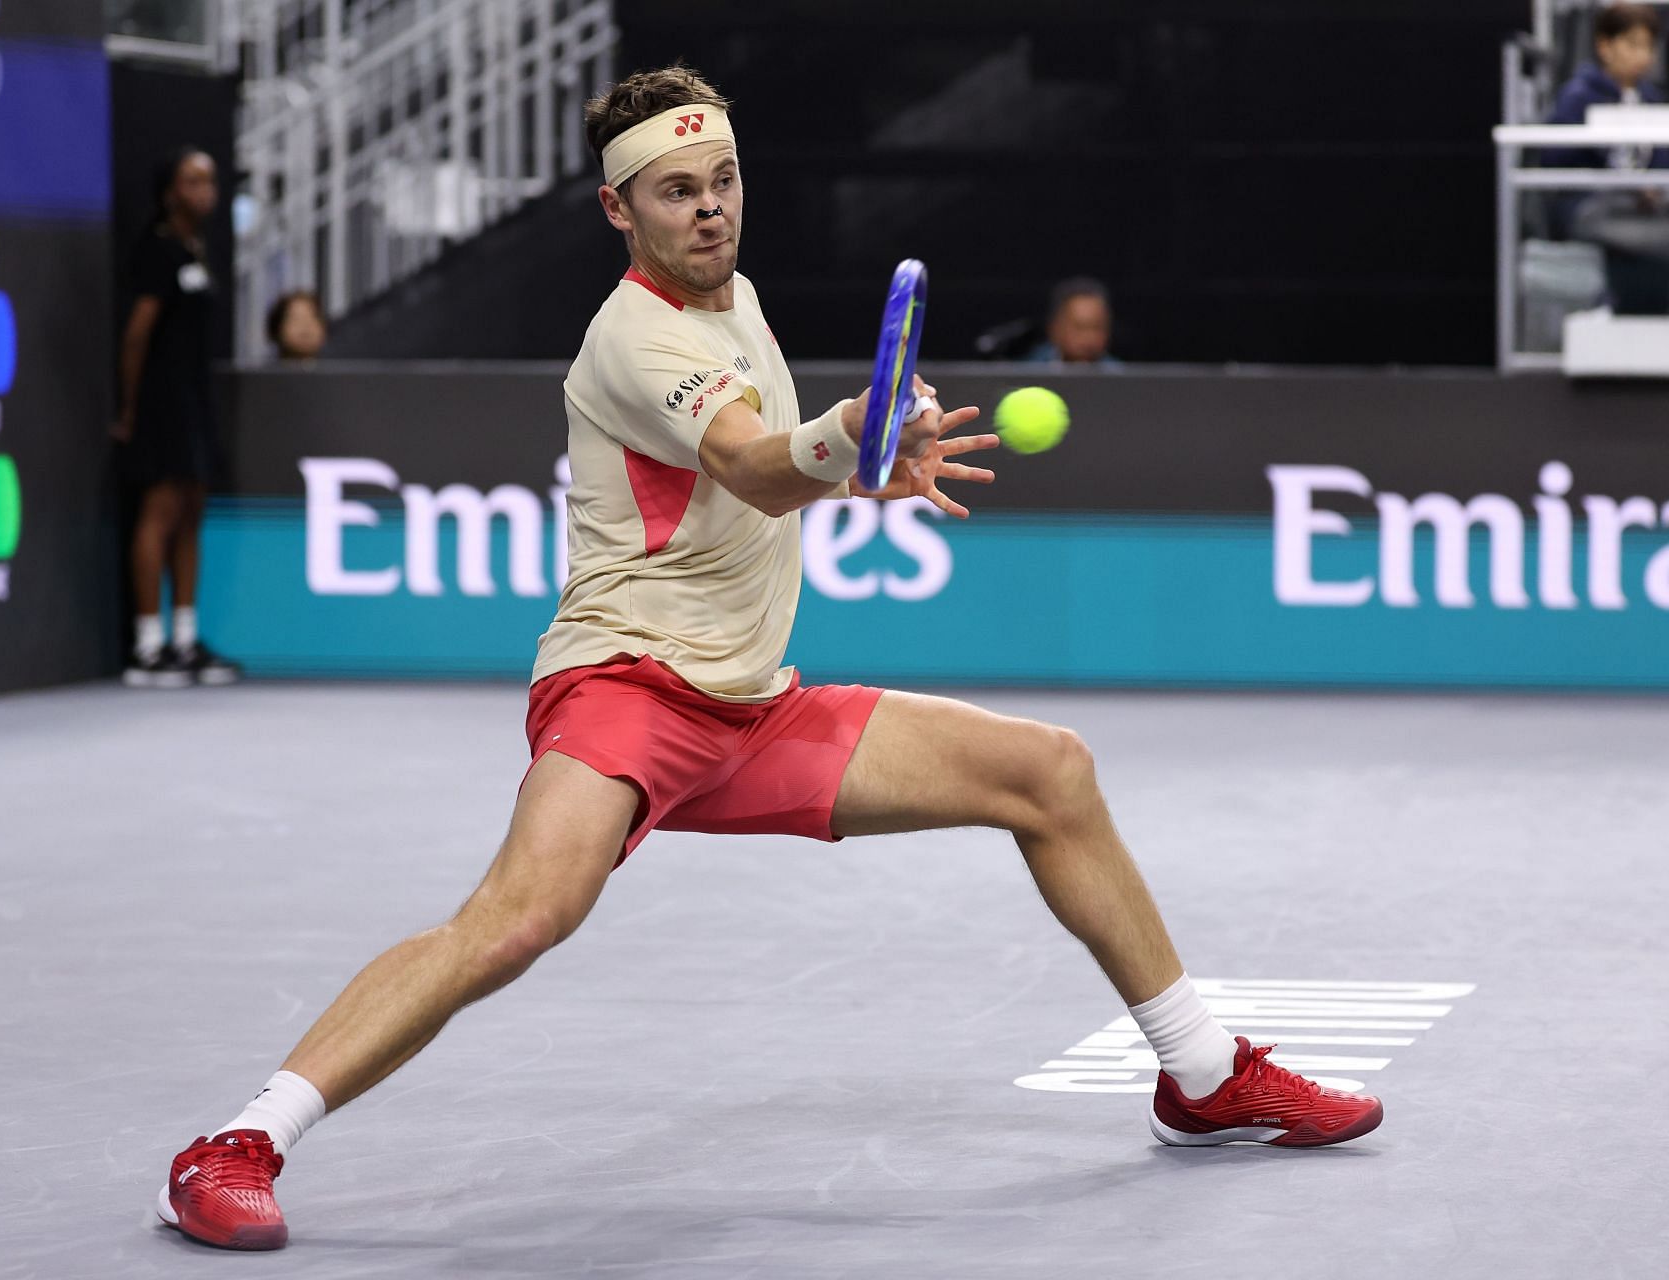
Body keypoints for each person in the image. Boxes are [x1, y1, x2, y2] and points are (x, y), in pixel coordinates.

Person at [153, 65, 1382, 1252]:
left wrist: (858, 465)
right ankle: (235, 1144)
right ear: (617, 208)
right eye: (678, 189)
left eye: (725, 178)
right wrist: (850, 430)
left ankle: (1205, 1074)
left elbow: (764, 478)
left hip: (751, 702)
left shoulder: (730, 297)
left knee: (1049, 772)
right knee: (521, 917)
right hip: (627, 684)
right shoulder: (635, 335)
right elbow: (749, 461)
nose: (710, 206)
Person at [113, 147, 241, 688]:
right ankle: (147, 646)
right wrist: (128, 407)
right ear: (170, 192)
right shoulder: (158, 251)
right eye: (192, 181)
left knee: (191, 511)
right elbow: (138, 333)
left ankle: (183, 639)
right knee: (160, 512)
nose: (204, 190)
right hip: (162, 402)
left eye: (209, 180)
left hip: (195, 399)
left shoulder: (198, 248)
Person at [1544, 3, 1669, 313]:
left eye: (1648, 47)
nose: (1642, 56)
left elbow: (1661, 158)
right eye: (1632, 45)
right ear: (1605, 45)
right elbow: (1556, 157)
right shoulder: (1577, 96)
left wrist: (1652, 189)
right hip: (1593, 206)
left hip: (1643, 209)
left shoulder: (1650, 98)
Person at [1024, 277, 1124, 368]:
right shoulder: (1029, 370)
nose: (1089, 338)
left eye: (1097, 327)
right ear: (1054, 328)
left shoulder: (1120, 375)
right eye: (1080, 327)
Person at [266, 289, 327, 362]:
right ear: (277, 328)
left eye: (312, 318)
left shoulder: (336, 371)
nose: (305, 326)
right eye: (296, 319)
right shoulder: (259, 372)